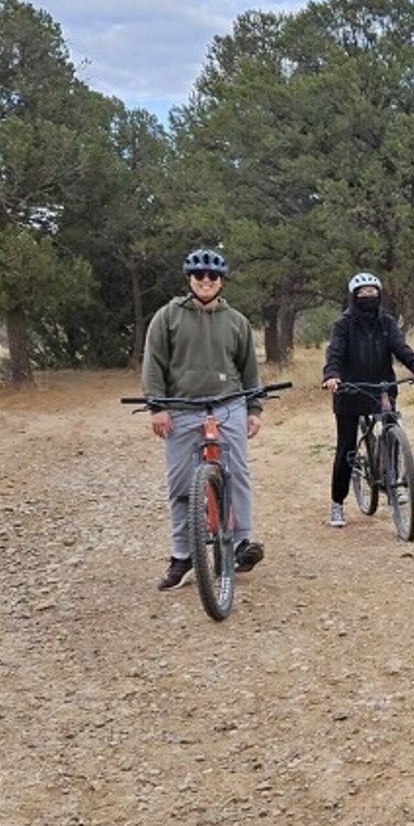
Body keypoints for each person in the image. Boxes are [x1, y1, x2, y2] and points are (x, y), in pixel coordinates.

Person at [140, 247, 266, 589]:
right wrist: (157, 408)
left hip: (228, 407)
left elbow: (249, 370)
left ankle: (240, 542)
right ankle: (183, 555)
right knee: (180, 484)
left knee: (237, 472)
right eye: (200, 276)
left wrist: (253, 410)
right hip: (180, 409)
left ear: (221, 281)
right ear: (189, 279)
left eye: (213, 276)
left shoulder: (237, 321)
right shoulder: (168, 317)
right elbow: (153, 363)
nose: (206, 281)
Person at [321, 272, 414, 527]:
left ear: (379, 294)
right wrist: (332, 375)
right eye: (362, 293)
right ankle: (337, 504)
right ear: (353, 297)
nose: (368, 297)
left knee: (392, 429)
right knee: (347, 449)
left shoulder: (386, 322)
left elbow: (401, 348)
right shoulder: (343, 325)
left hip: (382, 387)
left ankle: (393, 479)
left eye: (373, 292)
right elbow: (335, 353)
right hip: (350, 390)